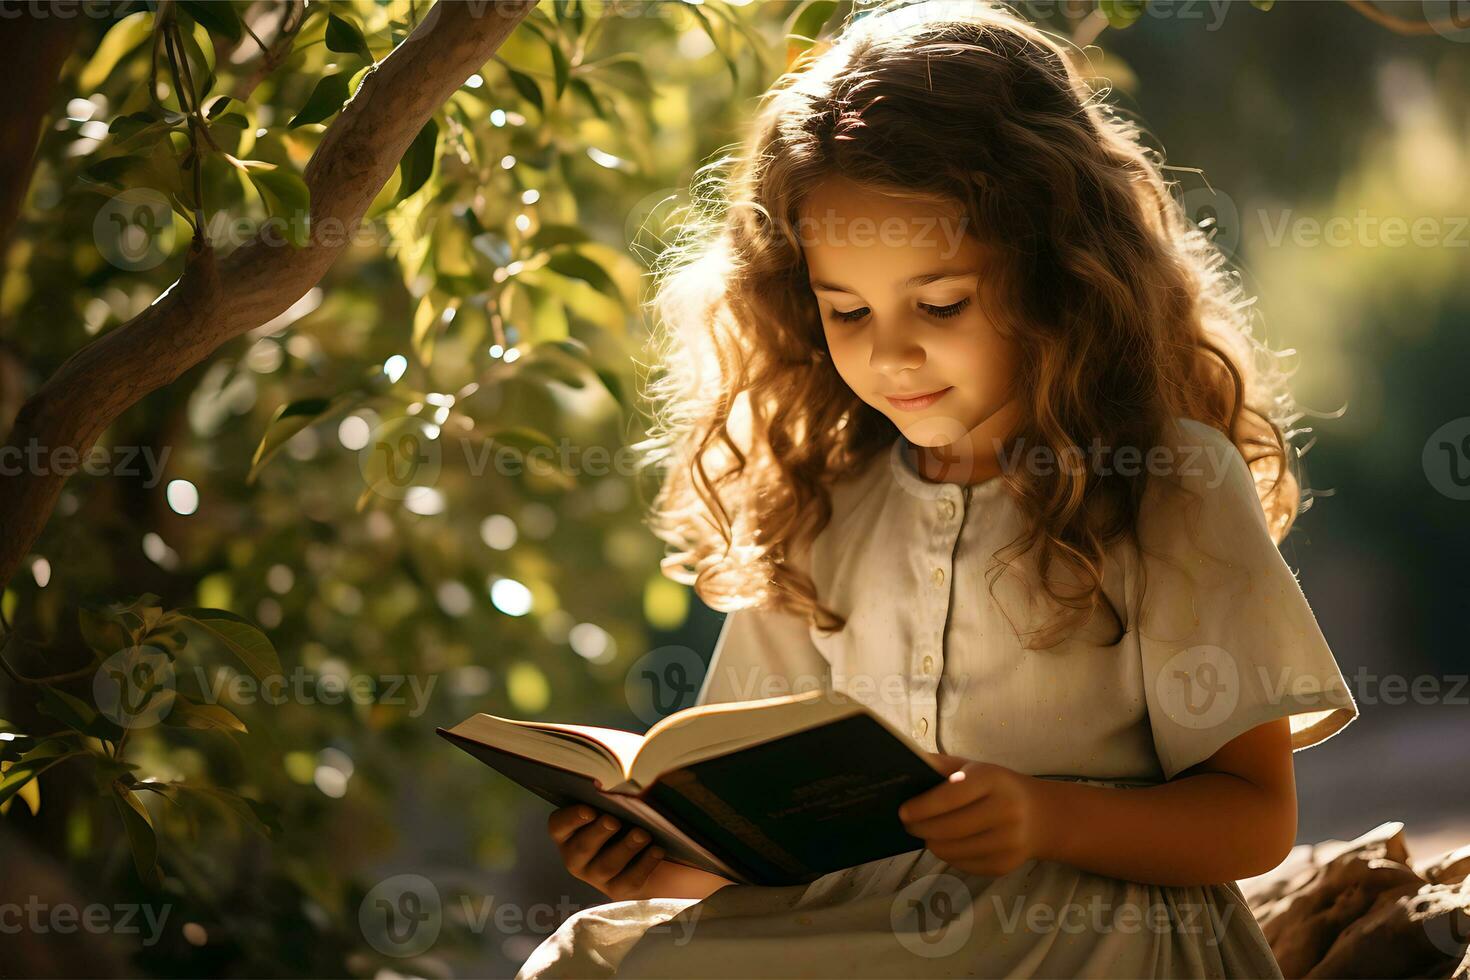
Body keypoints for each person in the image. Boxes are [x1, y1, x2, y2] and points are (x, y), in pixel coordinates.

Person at [517, 1, 1360, 976]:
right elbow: (790, 855)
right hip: (880, 933)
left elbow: (1255, 818)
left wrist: (1046, 815)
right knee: (590, 959)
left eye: (941, 301)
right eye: (847, 309)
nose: (890, 350)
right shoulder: (819, 509)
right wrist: (665, 858)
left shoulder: (1167, 483)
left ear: (1057, 269)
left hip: (1093, 942)